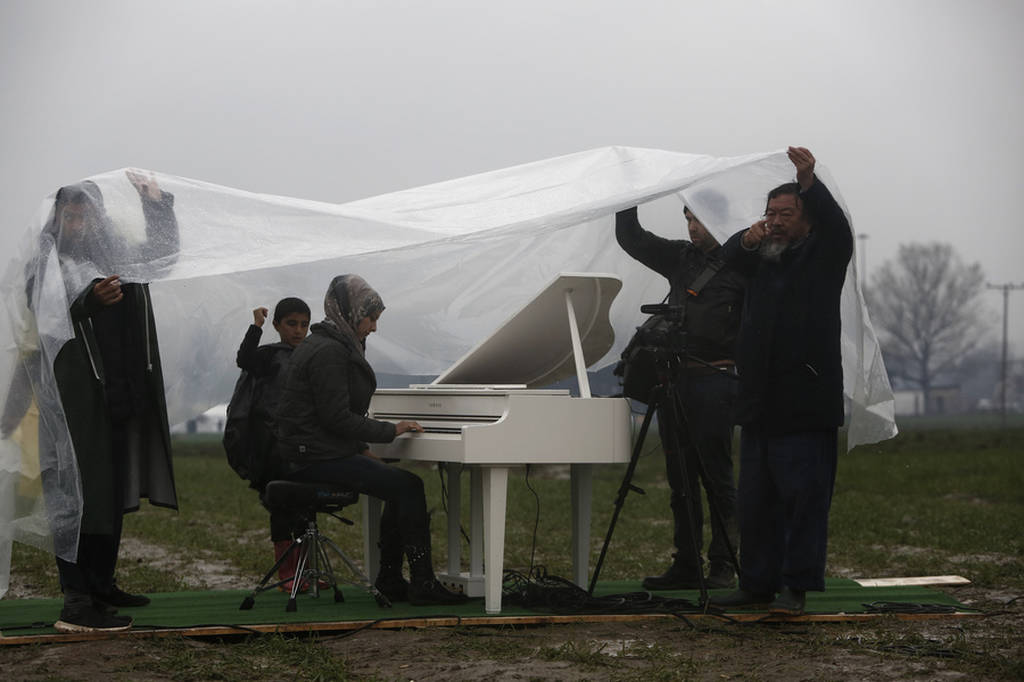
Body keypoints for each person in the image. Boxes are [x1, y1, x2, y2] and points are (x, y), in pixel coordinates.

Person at [709, 147, 853, 616]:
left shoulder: (823, 254)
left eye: (785, 213)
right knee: (756, 503)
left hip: (805, 403)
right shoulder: (764, 257)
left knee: (802, 502)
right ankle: (757, 584)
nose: (774, 220)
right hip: (759, 405)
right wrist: (746, 239)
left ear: (806, 220)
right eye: (769, 212)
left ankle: (796, 588)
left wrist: (809, 180)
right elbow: (728, 259)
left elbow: (838, 227)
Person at [40, 171, 181, 633]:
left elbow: (161, 259)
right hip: (75, 402)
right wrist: (87, 303)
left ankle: (100, 585)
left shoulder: (114, 254)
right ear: (58, 215)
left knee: (110, 491)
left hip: (119, 393)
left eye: (87, 211)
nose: (78, 219)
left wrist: (156, 205)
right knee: (77, 495)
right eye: (70, 211)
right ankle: (76, 601)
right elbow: (38, 311)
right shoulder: (46, 258)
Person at [274, 274, 468, 606]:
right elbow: (335, 417)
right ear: (351, 311)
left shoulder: (327, 343)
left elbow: (328, 417)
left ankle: (392, 578)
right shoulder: (330, 351)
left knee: (399, 484)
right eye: (372, 318)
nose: (374, 327)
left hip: (316, 452)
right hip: (313, 459)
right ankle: (420, 581)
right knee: (408, 486)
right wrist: (390, 430)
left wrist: (363, 449)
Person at [616, 197, 746, 590]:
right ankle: (687, 563)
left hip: (716, 380)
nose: (692, 227)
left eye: (700, 220)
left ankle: (723, 565)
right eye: (688, 218)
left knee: (716, 477)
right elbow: (632, 238)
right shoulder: (680, 258)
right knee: (681, 479)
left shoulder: (744, 264)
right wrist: (628, 196)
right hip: (674, 380)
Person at [233, 298, 311, 590]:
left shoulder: (311, 356)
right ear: (278, 325)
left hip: (304, 447)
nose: (298, 331)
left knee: (306, 507)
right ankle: (286, 574)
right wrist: (256, 327)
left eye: (304, 324)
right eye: (291, 324)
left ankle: (306, 570)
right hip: (272, 448)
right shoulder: (268, 357)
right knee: (281, 508)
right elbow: (244, 359)